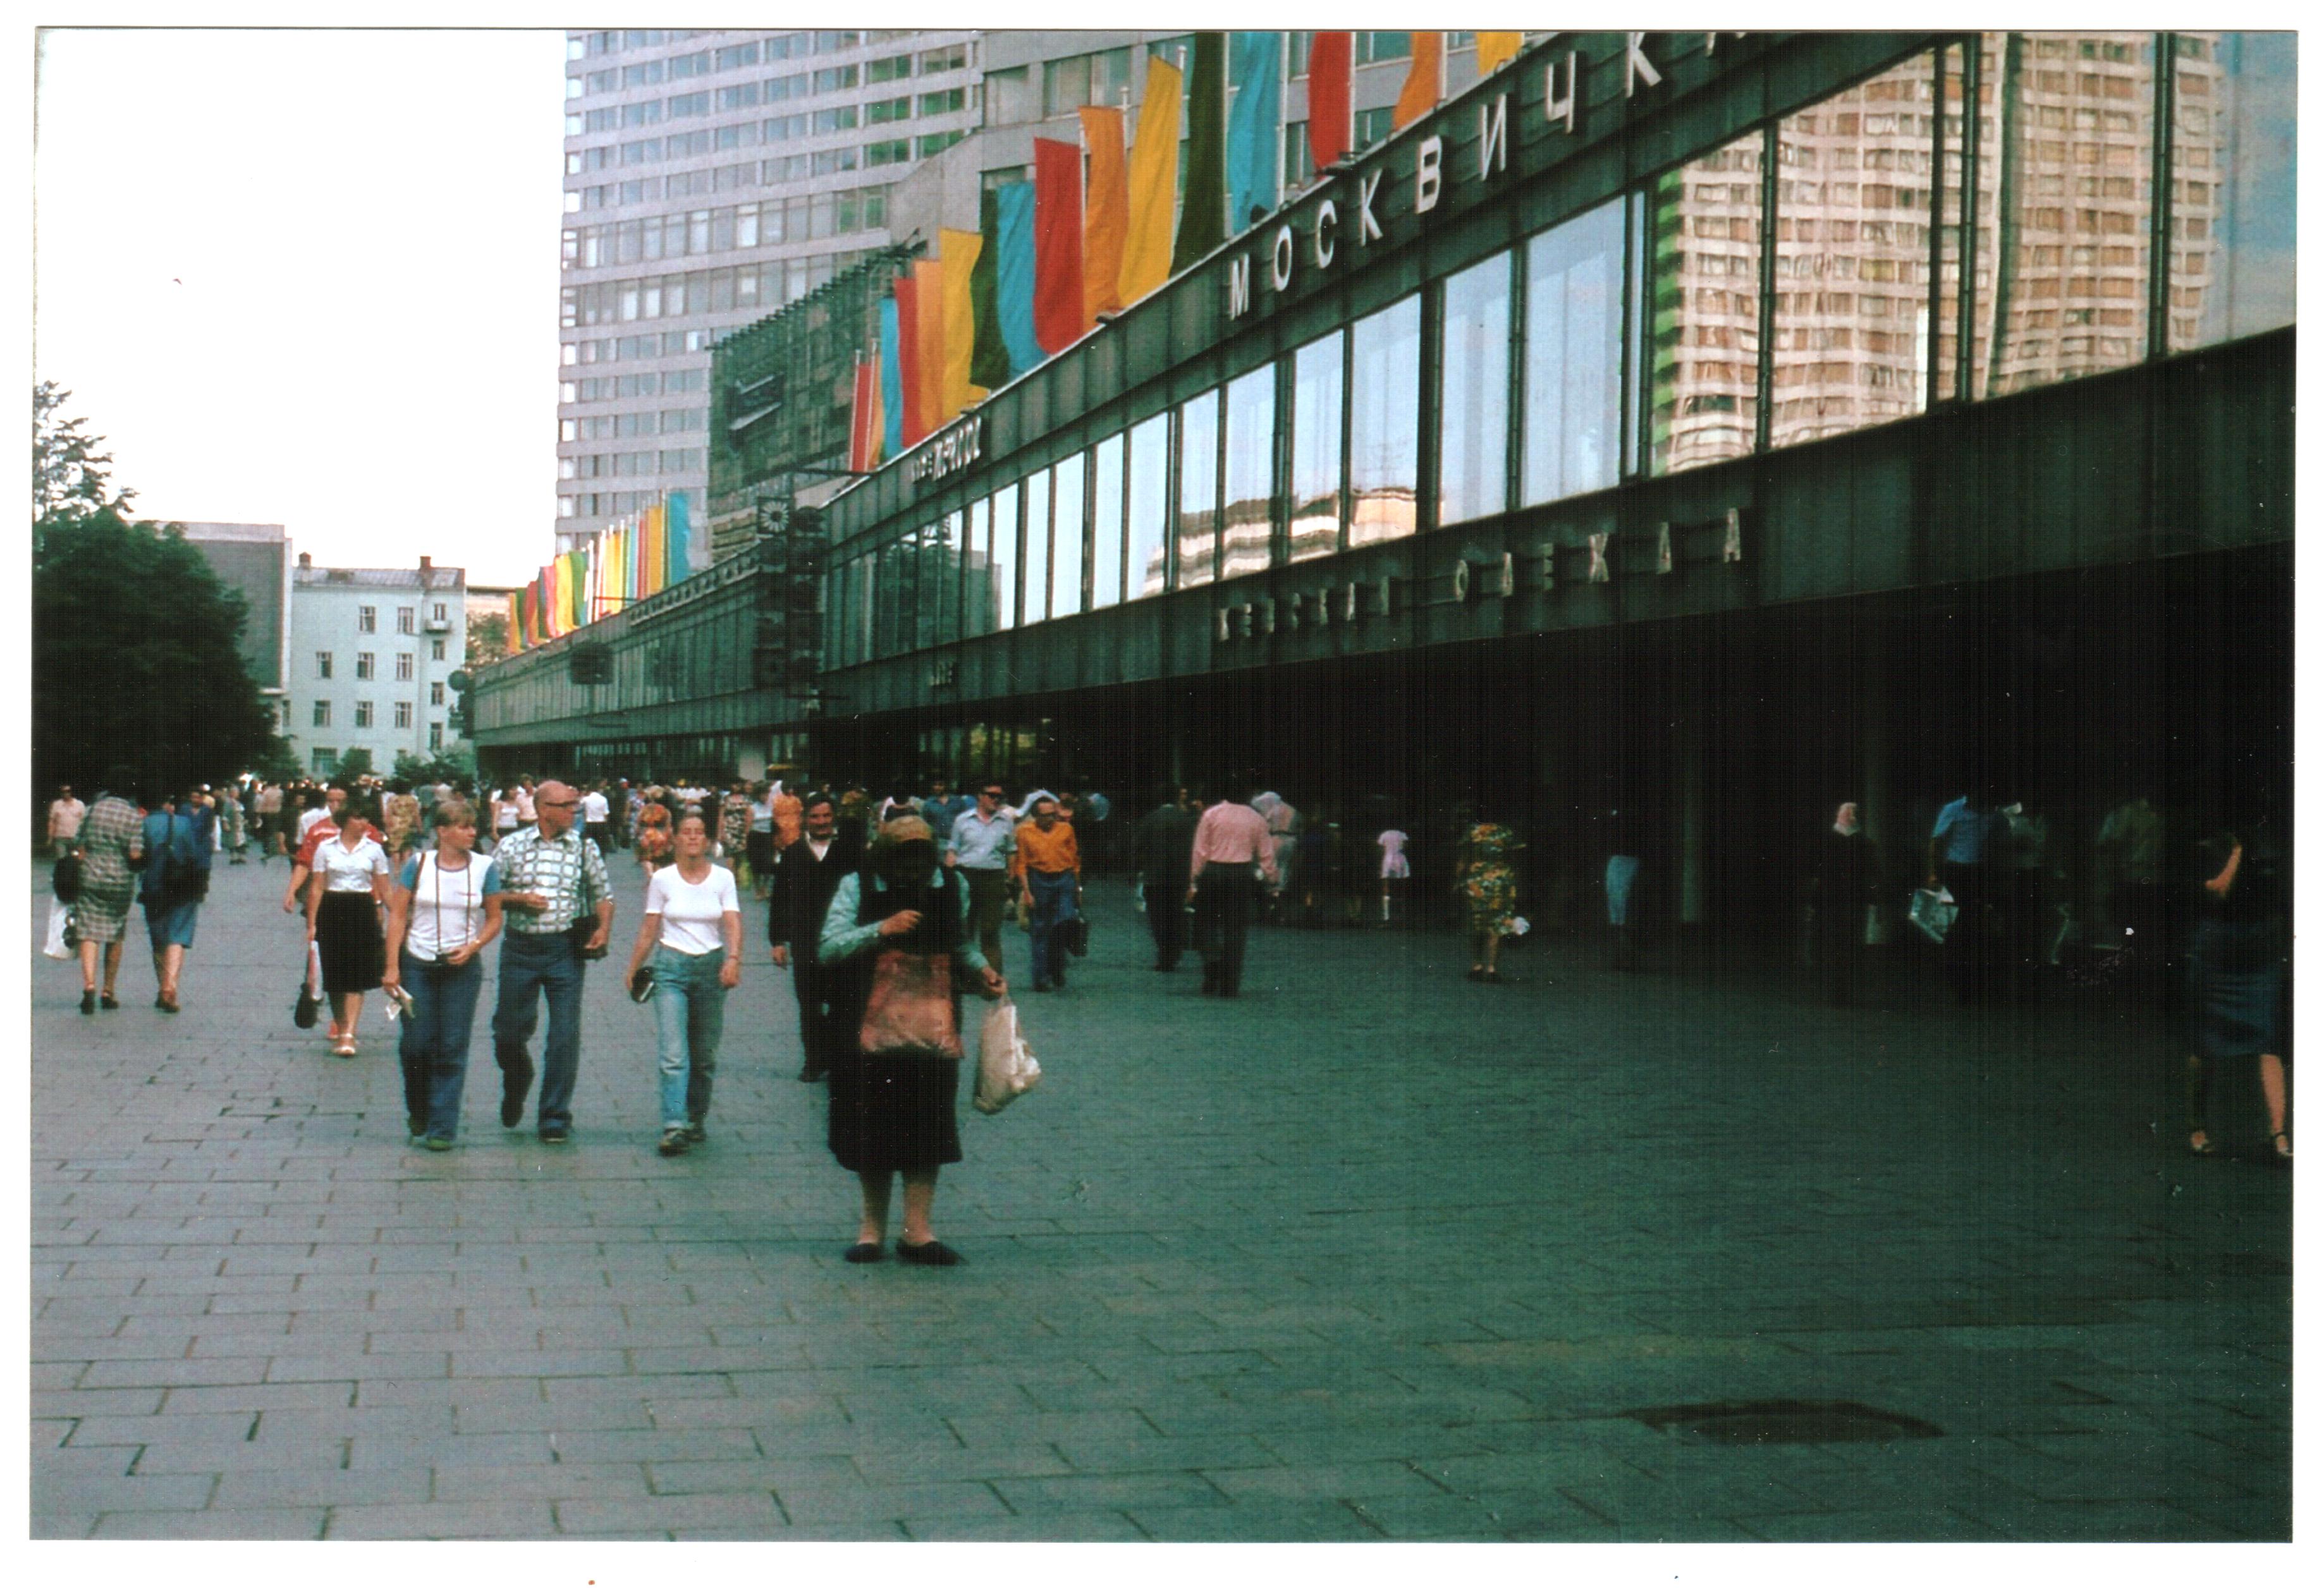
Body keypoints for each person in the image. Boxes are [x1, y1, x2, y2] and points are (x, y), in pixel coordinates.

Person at [816, 817, 1006, 1265]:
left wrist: (982, 971)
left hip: (932, 1025)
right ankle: (871, 1233)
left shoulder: (951, 884)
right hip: (866, 1026)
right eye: (904, 855)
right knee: (872, 1129)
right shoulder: (857, 884)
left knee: (927, 1126)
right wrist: (881, 929)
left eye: (922, 854)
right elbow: (828, 946)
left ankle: (917, 1232)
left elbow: (960, 944)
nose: (913, 865)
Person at [490, 779, 615, 1144]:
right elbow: (491, 895)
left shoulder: (583, 848)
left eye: (574, 806)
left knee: (564, 1034)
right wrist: (519, 900)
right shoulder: (511, 846)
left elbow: (603, 894)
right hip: (520, 949)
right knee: (508, 1033)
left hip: (565, 950)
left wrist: (604, 929)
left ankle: (554, 1115)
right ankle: (518, 1078)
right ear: (544, 809)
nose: (573, 812)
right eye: (565, 806)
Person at [382, 799, 505, 1150]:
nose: (472, 832)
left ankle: (442, 1126)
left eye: (473, 826)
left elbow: (495, 917)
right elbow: (398, 916)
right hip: (417, 962)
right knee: (416, 1044)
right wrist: (392, 967)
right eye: (464, 826)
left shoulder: (485, 867)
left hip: (460, 967)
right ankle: (419, 1107)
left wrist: (475, 945)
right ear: (442, 832)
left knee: (452, 1046)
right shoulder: (417, 866)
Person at [625, 810, 744, 1156]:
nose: (693, 837)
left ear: (707, 840)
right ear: (675, 838)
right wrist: (633, 967)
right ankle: (674, 1125)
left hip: (711, 968)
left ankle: (696, 1118)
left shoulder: (723, 878)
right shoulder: (663, 879)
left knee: (704, 1055)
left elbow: (733, 922)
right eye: (686, 832)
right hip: (671, 967)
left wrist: (734, 960)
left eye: (699, 832)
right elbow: (650, 927)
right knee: (674, 1053)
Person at [2184, 826, 2290, 1162]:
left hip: (2258, 951)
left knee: (2268, 1040)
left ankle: (2280, 1135)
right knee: (2204, 1044)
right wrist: (2238, 856)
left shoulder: (2271, 851)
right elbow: (2218, 890)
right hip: (2216, 954)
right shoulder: (2208, 848)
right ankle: (2198, 1126)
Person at [769, 793, 866, 1082]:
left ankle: (839, 1059)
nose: (821, 822)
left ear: (833, 817)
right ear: (805, 820)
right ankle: (814, 1060)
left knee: (842, 1003)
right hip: (805, 941)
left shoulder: (850, 851)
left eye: (826, 816)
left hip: (843, 940)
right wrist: (777, 940)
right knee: (809, 1004)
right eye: (815, 817)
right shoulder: (794, 853)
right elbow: (780, 899)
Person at [305, 794, 390, 1056]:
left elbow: (385, 888)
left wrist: (398, 915)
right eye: (357, 817)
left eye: (365, 817)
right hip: (332, 909)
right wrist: (311, 923)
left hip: (361, 909)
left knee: (357, 973)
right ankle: (341, 1025)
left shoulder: (374, 850)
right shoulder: (326, 848)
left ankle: (349, 1034)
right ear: (344, 821)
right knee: (335, 975)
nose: (362, 822)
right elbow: (318, 886)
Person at [1189, 791, 1278, 997]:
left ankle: (1211, 961)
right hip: (1241, 874)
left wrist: (1194, 879)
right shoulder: (1256, 819)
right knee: (1236, 930)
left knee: (1207, 922)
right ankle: (1230, 984)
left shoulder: (1212, 814)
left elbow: (1200, 851)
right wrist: (1272, 880)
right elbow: (1266, 855)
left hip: (1213, 871)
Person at [71, 769, 143, 1013]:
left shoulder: (91, 811)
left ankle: (89, 984)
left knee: (88, 931)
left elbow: (78, 844)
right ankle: (108, 990)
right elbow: (135, 854)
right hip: (120, 881)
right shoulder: (132, 817)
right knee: (115, 933)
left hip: (90, 876)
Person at [138, 785, 212, 1015]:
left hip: (153, 888)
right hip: (183, 887)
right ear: (167, 803)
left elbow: (137, 857)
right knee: (177, 936)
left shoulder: (144, 825)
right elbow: (195, 855)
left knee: (158, 939)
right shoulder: (183, 823)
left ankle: (162, 986)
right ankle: (170, 988)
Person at [1925, 786, 2003, 1004]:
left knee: (1973, 920)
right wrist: (1933, 872)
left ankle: (1966, 973)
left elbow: (1996, 840)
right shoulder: (1953, 810)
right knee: (1967, 916)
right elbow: (1937, 839)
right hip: (1956, 868)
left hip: (1979, 869)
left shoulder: (1992, 814)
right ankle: (1955, 966)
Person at [943, 779, 1018, 976]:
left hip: (993, 878)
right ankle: (964, 979)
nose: (996, 799)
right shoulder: (963, 820)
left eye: (999, 796)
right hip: (966, 876)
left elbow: (1011, 852)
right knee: (964, 929)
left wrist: (1011, 879)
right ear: (980, 797)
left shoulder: (1006, 822)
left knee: (990, 931)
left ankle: (992, 979)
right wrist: (947, 878)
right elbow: (953, 849)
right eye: (991, 795)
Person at [1011, 795, 1082, 994]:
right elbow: (1022, 864)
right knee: (1041, 929)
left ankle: (1057, 967)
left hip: (1064, 879)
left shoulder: (1066, 829)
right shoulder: (1025, 832)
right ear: (1035, 816)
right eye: (1046, 815)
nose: (1050, 819)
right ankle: (1041, 976)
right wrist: (1027, 893)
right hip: (1040, 880)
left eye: (1053, 814)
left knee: (1064, 922)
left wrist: (1078, 890)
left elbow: (1075, 860)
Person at [1809, 802, 1876, 1006]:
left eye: (1853, 813)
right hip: (1836, 900)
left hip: (1846, 900)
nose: (1849, 816)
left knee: (1845, 945)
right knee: (1838, 944)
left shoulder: (1861, 842)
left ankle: (1841, 992)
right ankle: (1838, 991)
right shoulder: (1857, 842)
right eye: (1846, 812)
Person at [1132, 785, 1197, 970]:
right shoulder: (1186, 820)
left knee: (1157, 917)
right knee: (1176, 915)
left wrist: (1137, 871)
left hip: (1155, 876)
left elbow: (1139, 847)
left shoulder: (1150, 819)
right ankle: (1174, 952)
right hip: (1179, 876)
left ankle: (1164, 953)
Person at [1457, 819, 1523, 983]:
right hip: (1502, 881)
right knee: (1498, 924)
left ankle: (1477, 965)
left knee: (1476, 923)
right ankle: (1492, 968)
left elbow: (1463, 860)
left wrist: (1459, 881)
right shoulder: (1507, 831)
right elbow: (1517, 859)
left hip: (1477, 882)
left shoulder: (1473, 831)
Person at [745, 781, 778, 901]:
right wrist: (746, 842)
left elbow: (774, 823)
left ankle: (765, 887)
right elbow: (748, 827)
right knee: (756, 866)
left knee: (769, 864)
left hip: (768, 837)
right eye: (763, 794)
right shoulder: (752, 808)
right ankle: (758, 890)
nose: (766, 797)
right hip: (755, 838)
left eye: (767, 794)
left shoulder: (772, 806)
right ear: (758, 795)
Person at [382, 783, 424, 868]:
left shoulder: (392, 800)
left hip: (395, 824)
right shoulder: (412, 800)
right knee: (407, 847)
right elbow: (416, 814)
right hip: (408, 825)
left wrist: (387, 826)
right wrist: (420, 827)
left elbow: (388, 814)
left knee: (395, 848)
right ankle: (406, 866)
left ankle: (397, 868)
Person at [1376, 823, 1411, 925]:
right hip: (1400, 862)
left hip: (1388, 862)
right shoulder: (1402, 834)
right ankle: (1401, 916)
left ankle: (1387, 917)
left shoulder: (1384, 834)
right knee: (1401, 889)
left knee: (1386, 890)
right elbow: (1405, 847)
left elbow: (1380, 848)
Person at [47, 784, 86, 860]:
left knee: (76, 860)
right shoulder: (56, 805)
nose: (66, 793)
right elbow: (52, 822)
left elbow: (84, 822)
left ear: (71, 792)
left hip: (75, 839)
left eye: (68, 791)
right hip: (60, 838)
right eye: (63, 792)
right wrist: (50, 838)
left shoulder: (80, 804)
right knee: (61, 860)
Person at [218, 784, 248, 864]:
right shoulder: (228, 803)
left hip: (239, 825)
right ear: (231, 793)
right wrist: (225, 824)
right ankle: (233, 858)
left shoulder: (237, 802)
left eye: (237, 792)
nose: (237, 793)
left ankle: (241, 857)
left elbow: (241, 812)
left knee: (241, 841)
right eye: (236, 792)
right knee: (232, 841)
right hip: (232, 824)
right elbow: (224, 815)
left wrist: (244, 820)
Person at [581, 782, 613, 855]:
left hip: (589, 824)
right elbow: (606, 814)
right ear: (598, 790)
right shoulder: (603, 799)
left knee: (588, 844)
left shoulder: (586, 799)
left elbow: (582, 809)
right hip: (601, 824)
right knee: (601, 845)